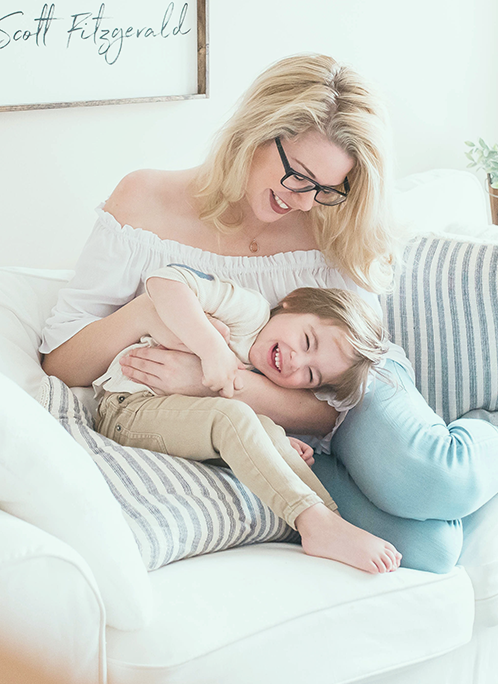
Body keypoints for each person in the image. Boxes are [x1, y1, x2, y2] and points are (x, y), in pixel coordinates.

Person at [40, 53, 498, 574]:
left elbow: (331, 406)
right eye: (299, 176)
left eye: (327, 189)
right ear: (256, 132)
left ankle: (485, 427)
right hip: (264, 426)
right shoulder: (145, 201)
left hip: (347, 380)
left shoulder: (332, 221)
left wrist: (218, 380)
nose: (305, 203)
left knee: (432, 478)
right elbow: (60, 363)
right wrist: (148, 314)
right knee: (432, 552)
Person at [93, 263, 399, 574]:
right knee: (234, 416)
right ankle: (312, 522)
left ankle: (327, 521)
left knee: (266, 428)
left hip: (173, 425)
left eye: (310, 374)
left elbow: (219, 422)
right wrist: (211, 348)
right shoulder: (249, 313)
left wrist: (273, 443)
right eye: (307, 341)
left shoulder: (264, 376)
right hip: (128, 408)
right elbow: (163, 280)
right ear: (293, 301)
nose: (297, 360)